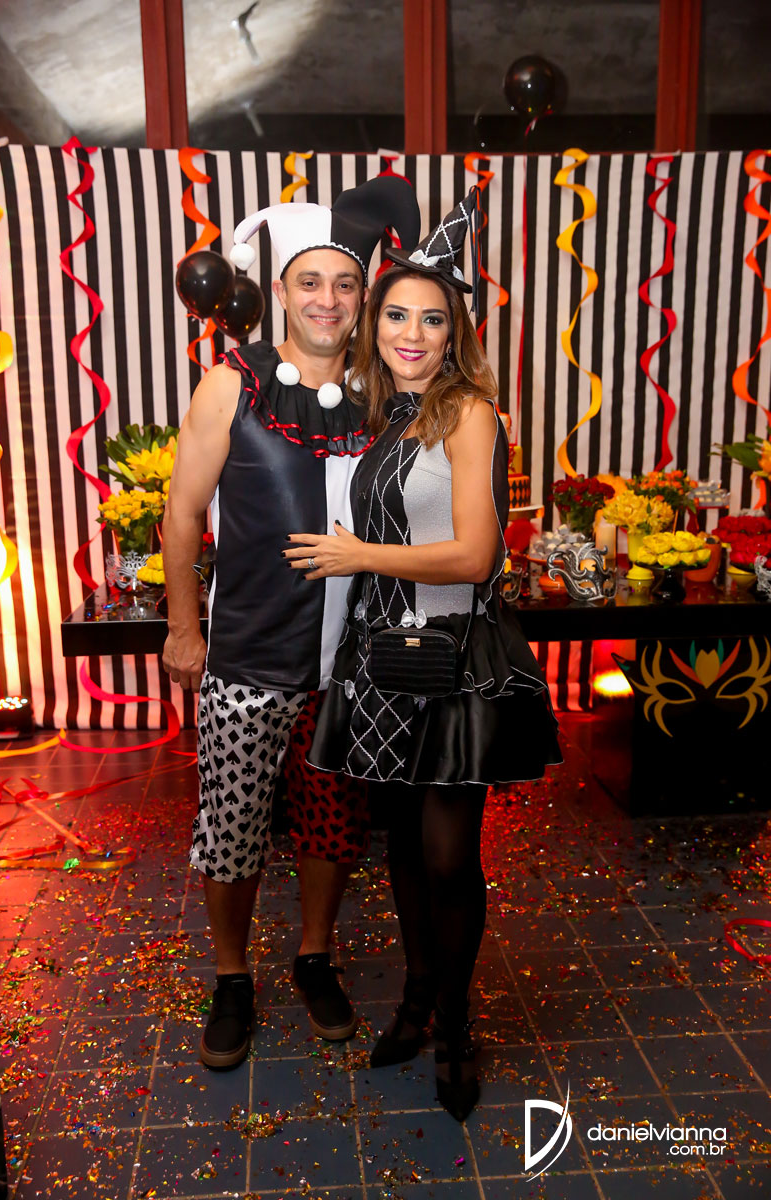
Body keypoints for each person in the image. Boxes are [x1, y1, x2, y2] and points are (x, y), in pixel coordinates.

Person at [284, 190, 562, 1120]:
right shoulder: (383, 415)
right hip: (380, 662)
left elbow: (477, 556)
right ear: (375, 324)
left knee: (447, 857)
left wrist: (358, 555)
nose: (411, 332)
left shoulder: (469, 414)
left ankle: (455, 1027)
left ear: (454, 333)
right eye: (397, 314)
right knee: (400, 847)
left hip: (454, 664)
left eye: (431, 319)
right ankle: (413, 1001)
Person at [162, 177, 421, 1070]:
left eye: (345, 285)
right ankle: (232, 975)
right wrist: (184, 628)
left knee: (332, 823)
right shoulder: (230, 384)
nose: (328, 300)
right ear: (280, 290)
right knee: (233, 824)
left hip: (350, 663)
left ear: (363, 295)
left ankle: (314, 955)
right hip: (247, 654)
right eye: (311, 282)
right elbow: (182, 513)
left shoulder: (383, 389)